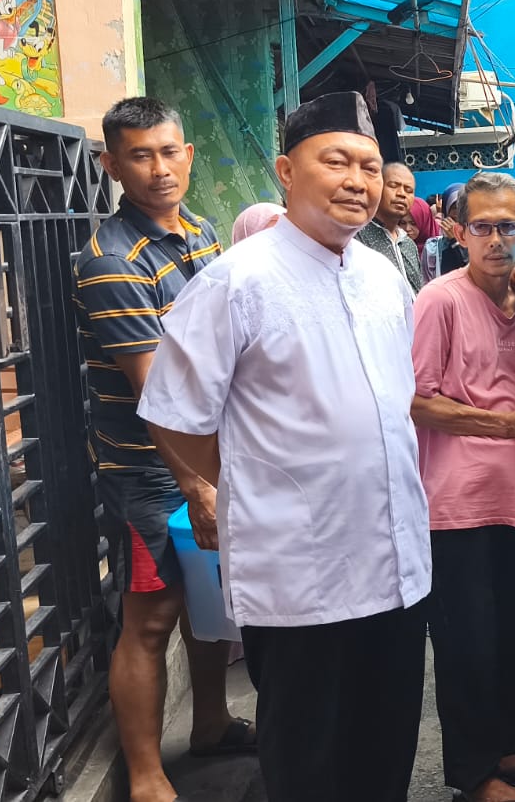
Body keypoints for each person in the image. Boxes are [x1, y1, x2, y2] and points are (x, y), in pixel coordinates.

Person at [138, 91, 431, 802]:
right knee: (308, 760)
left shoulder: (384, 278)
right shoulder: (236, 281)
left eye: (369, 166)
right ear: (286, 171)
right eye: (336, 161)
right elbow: (173, 413)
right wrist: (252, 482)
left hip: (396, 563)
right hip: (303, 574)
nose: (358, 181)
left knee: (386, 748)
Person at [74, 96, 251, 802]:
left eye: (169, 151)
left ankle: (210, 722)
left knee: (207, 598)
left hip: (208, 456)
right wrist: (196, 488)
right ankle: (147, 777)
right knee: (151, 618)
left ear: (189, 153)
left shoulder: (201, 233)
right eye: (140, 156)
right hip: (150, 471)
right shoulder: (112, 262)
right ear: (111, 165)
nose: (159, 169)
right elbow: (156, 394)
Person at [411, 171, 515, 802]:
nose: (495, 240)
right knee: (467, 644)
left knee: (514, 639)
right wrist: (508, 425)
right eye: (481, 227)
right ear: (459, 234)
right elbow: (416, 401)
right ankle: (471, 772)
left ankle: (504, 749)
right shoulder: (439, 301)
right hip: (458, 504)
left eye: (507, 226)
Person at [357, 159, 425, 292]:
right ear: (378, 187)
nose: (402, 194)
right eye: (394, 186)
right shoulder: (357, 236)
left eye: (409, 190)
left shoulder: (408, 244)